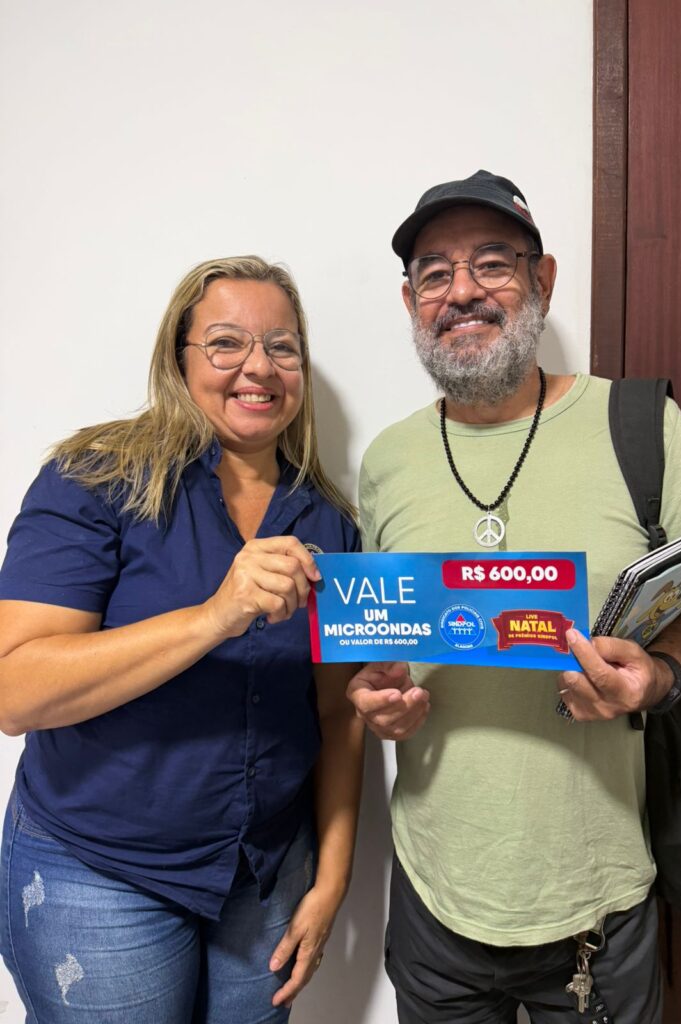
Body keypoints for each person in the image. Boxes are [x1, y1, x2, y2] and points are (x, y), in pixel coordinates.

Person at [347, 170, 681, 1023]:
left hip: (598, 901)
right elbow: (383, 637)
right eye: (434, 273)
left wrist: (660, 676)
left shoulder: (640, 425)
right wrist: (374, 696)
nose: (462, 291)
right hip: (434, 896)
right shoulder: (386, 461)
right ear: (411, 300)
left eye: (493, 263)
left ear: (544, 279)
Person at [0, 255, 364, 1023]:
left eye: (282, 346)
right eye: (226, 343)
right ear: (179, 357)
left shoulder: (327, 520)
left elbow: (337, 714)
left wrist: (332, 881)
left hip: (267, 873)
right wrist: (215, 615)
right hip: (100, 873)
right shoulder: (94, 478)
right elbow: (15, 691)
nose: (257, 367)